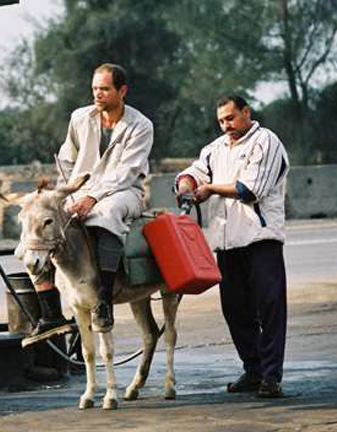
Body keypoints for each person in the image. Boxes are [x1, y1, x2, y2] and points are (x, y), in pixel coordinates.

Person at [28, 63, 154, 339]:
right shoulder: (80, 117)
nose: (98, 94)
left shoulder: (141, 125)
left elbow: (127, 171)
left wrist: (92, 197)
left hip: (125, 192)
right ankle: (50, 313)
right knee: (40, 220)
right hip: (80, 189)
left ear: (122, 91)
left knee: (105, 213)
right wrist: (63, 193)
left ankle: (104, 300)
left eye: (105, 89)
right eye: (95, 88)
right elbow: (67, 156)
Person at [175, 95, 289, 398]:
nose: (227, 125)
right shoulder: (214, 149)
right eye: (222, 120)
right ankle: (253, 370)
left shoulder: (266, 141)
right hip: (226, 243)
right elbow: (192, 173)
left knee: (270, 308)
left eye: (231, 118)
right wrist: (187, 186)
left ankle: (271, 376)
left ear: (246, 112)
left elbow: (250, 189)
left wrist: (209, 188)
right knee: (235, 310)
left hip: (260, 238)